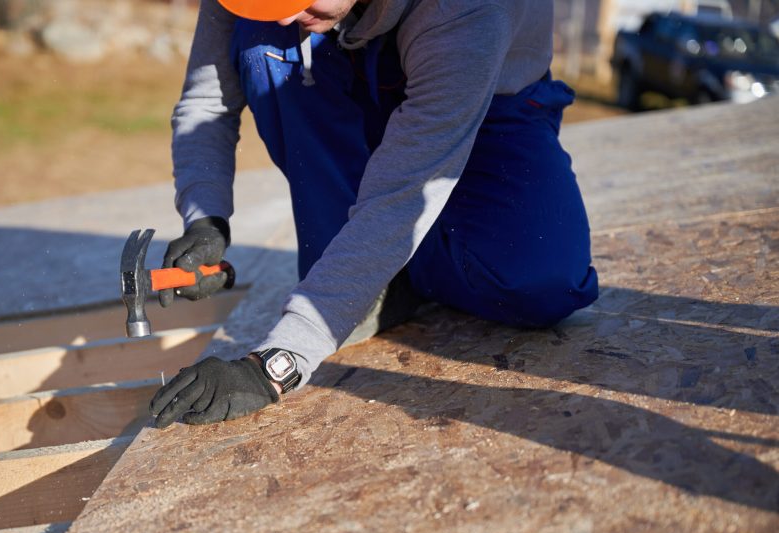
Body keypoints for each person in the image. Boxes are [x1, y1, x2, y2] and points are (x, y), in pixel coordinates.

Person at [149, 0, 599, 428]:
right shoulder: (284, 12)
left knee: (541, 284)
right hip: (345, 79)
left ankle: (374, 266)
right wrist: (206, 219)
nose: (286, 17)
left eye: (300, 0)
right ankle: (368, 275)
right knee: (260, 41)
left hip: (487, 99)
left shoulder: (468, 10)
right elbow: (207, 103)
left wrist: (275, 365)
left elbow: (405, 190)